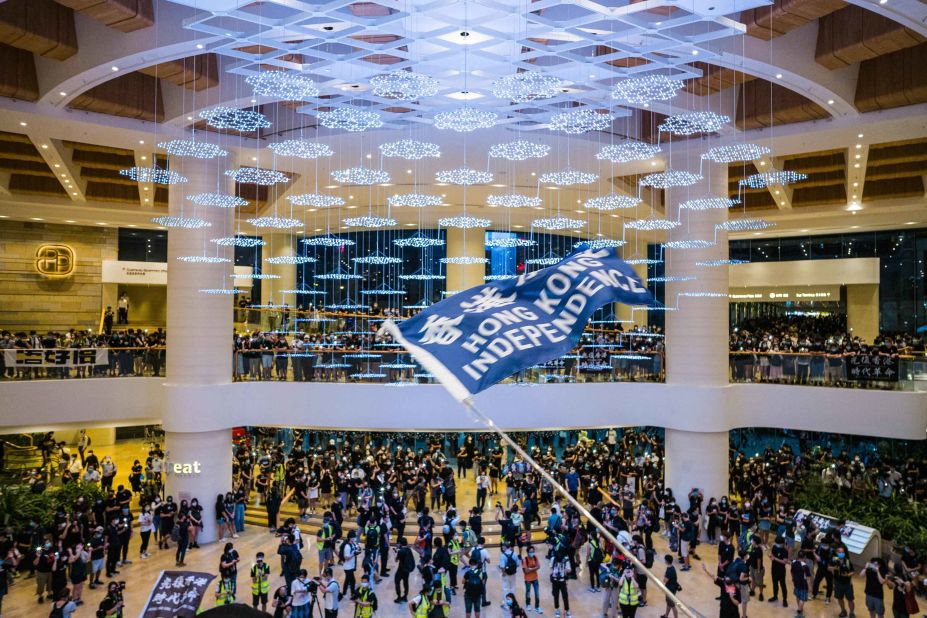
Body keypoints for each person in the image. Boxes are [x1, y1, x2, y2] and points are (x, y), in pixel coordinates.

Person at [831, 544, 856, 618]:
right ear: (836, 552)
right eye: (839, 552)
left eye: (842, 552)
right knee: (839, 598)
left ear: (844, 553)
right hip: (838, 583)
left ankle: (851, 613)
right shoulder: (834, 559)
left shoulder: (848, 561)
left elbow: (853, 571)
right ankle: (843, 610)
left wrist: (848, 575)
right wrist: (834, 568)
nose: (841, 553)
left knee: (850, 599)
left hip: (847, 584)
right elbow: (828, 568)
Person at [767, 535, 789, 608]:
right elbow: (772, 555)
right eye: (776, 543)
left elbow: (784, 562)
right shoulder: (774, 547)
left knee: (783, 584)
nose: (777, 545)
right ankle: (775, 596)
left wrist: (775, 559)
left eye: (778, 543)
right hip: (774, 568)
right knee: (775, 583)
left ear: (783, 543)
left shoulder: (785, 551)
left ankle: (785, 599)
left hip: (781, 570)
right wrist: (770, 556)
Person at [550, 553, 571, 618]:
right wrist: (554, 572)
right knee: (556, 596)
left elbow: (569, 569)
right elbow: (551, 567)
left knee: (565, 596)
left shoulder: (566, 559)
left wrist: (566, 571)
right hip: (555, 581)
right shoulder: (553, 558)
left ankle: (567, 610)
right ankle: (557, 609)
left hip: (562, 581)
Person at [394, 536, 415, 603]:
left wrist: (397, 552)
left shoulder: (400, 551)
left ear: (400, 543)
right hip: (407, 570)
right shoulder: (409, 549)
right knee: (406, 582)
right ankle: (405, 596)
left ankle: (399, 597)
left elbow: (396, 560)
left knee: (397, 581)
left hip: (401, 569)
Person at [340, 531, 360, 601]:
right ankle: (352, 594)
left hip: (351, 565)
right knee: (353, 581)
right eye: (353, 537)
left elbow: (357, 549)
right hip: (348, 567)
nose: (355, 538)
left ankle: (344, 593)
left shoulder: (353, 544)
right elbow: (346, 557)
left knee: (347, 580)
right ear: (350, 538)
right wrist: (353, 554)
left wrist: (358, 551)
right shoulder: (347, 546)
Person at [523, 544, 541, 614]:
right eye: (530, 552)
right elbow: (526, 571)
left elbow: (539, 566)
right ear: (527, 552)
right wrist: (534, 568)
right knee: (528, 593)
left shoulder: (535, 557)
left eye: (533, 551)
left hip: (535, 578)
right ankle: (528, 604)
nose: (532, 553)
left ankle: (537, 607)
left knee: (537, 594)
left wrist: (531, 569)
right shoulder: (525, 560)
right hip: (528, 580)